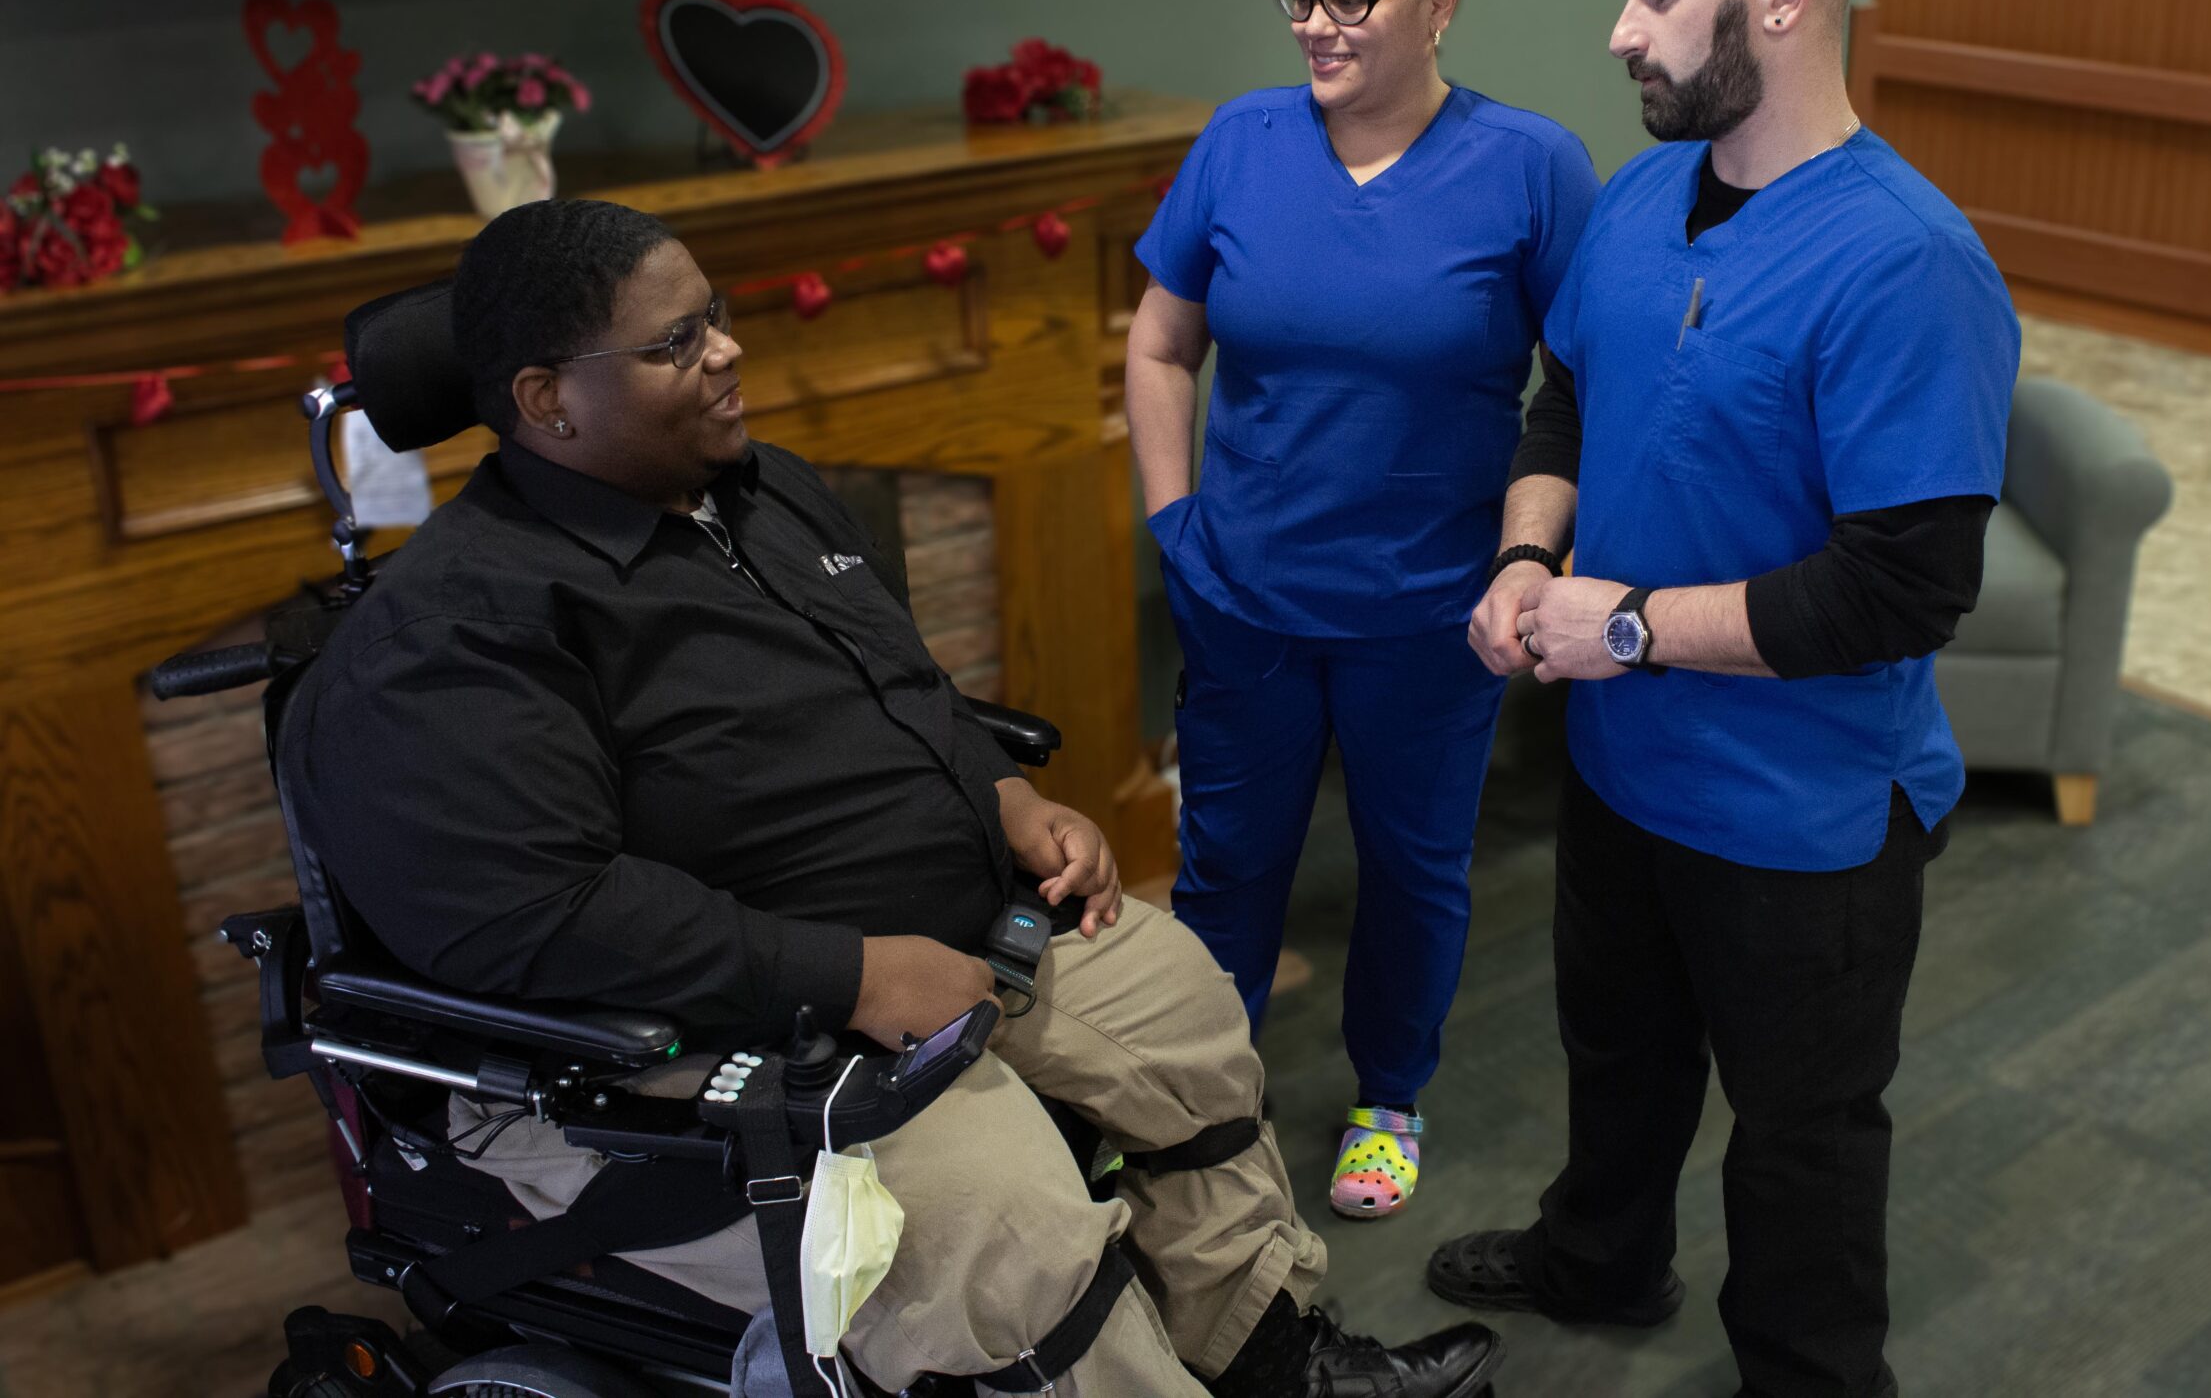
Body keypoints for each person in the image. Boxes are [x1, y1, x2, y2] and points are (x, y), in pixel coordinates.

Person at [284, 198, 1507, 1398]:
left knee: (1180, 1017)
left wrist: (1004, 796)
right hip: (717, 1032)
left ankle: (1268, 1361)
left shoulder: (761, 495)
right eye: (673, 345)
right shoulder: (457, 634)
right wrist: (852, 975)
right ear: (547, 401)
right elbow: (534, 919)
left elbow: (904, 684)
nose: (725, 351)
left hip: (953, 941)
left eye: (711, 317)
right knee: (999, 1218)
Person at [1427, 0, 2020, 1398]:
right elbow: (1565, 398)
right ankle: (1598, 1254)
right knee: (1616, 1067)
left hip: (1805, 814)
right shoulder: (1636, 199)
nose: (1621, 31)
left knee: (1799, 1151)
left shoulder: (1907, 261)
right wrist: (1521, 555)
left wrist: (1616, 625)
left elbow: (1904, 586)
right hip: (1628, 778)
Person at [1125, 0, 1599, 1221]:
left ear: (1439, 2)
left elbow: (1570, 392)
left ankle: (1388, 1095)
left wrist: (1526, 560)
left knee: (1412, 869)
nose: (1317, 27)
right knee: (1229, 869)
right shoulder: (1241, 141)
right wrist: (1175, 527)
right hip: (1247, 596)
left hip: (1426, 615)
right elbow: (1159, 345)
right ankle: (1202, 1104)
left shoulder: (1530, 167)